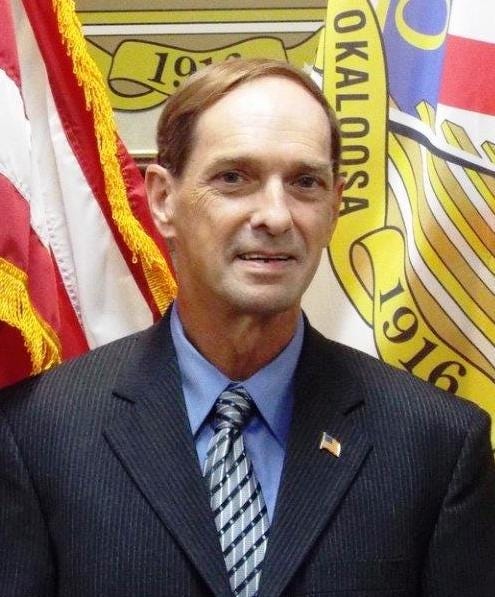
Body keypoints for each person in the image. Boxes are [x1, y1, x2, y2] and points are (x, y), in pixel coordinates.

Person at [0, 58, 494, 597]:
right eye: (234, 178)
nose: (276, 216)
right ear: (162, 199)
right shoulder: (38, 435)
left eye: (305, 183)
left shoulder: (436, 445)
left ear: (335, 206)